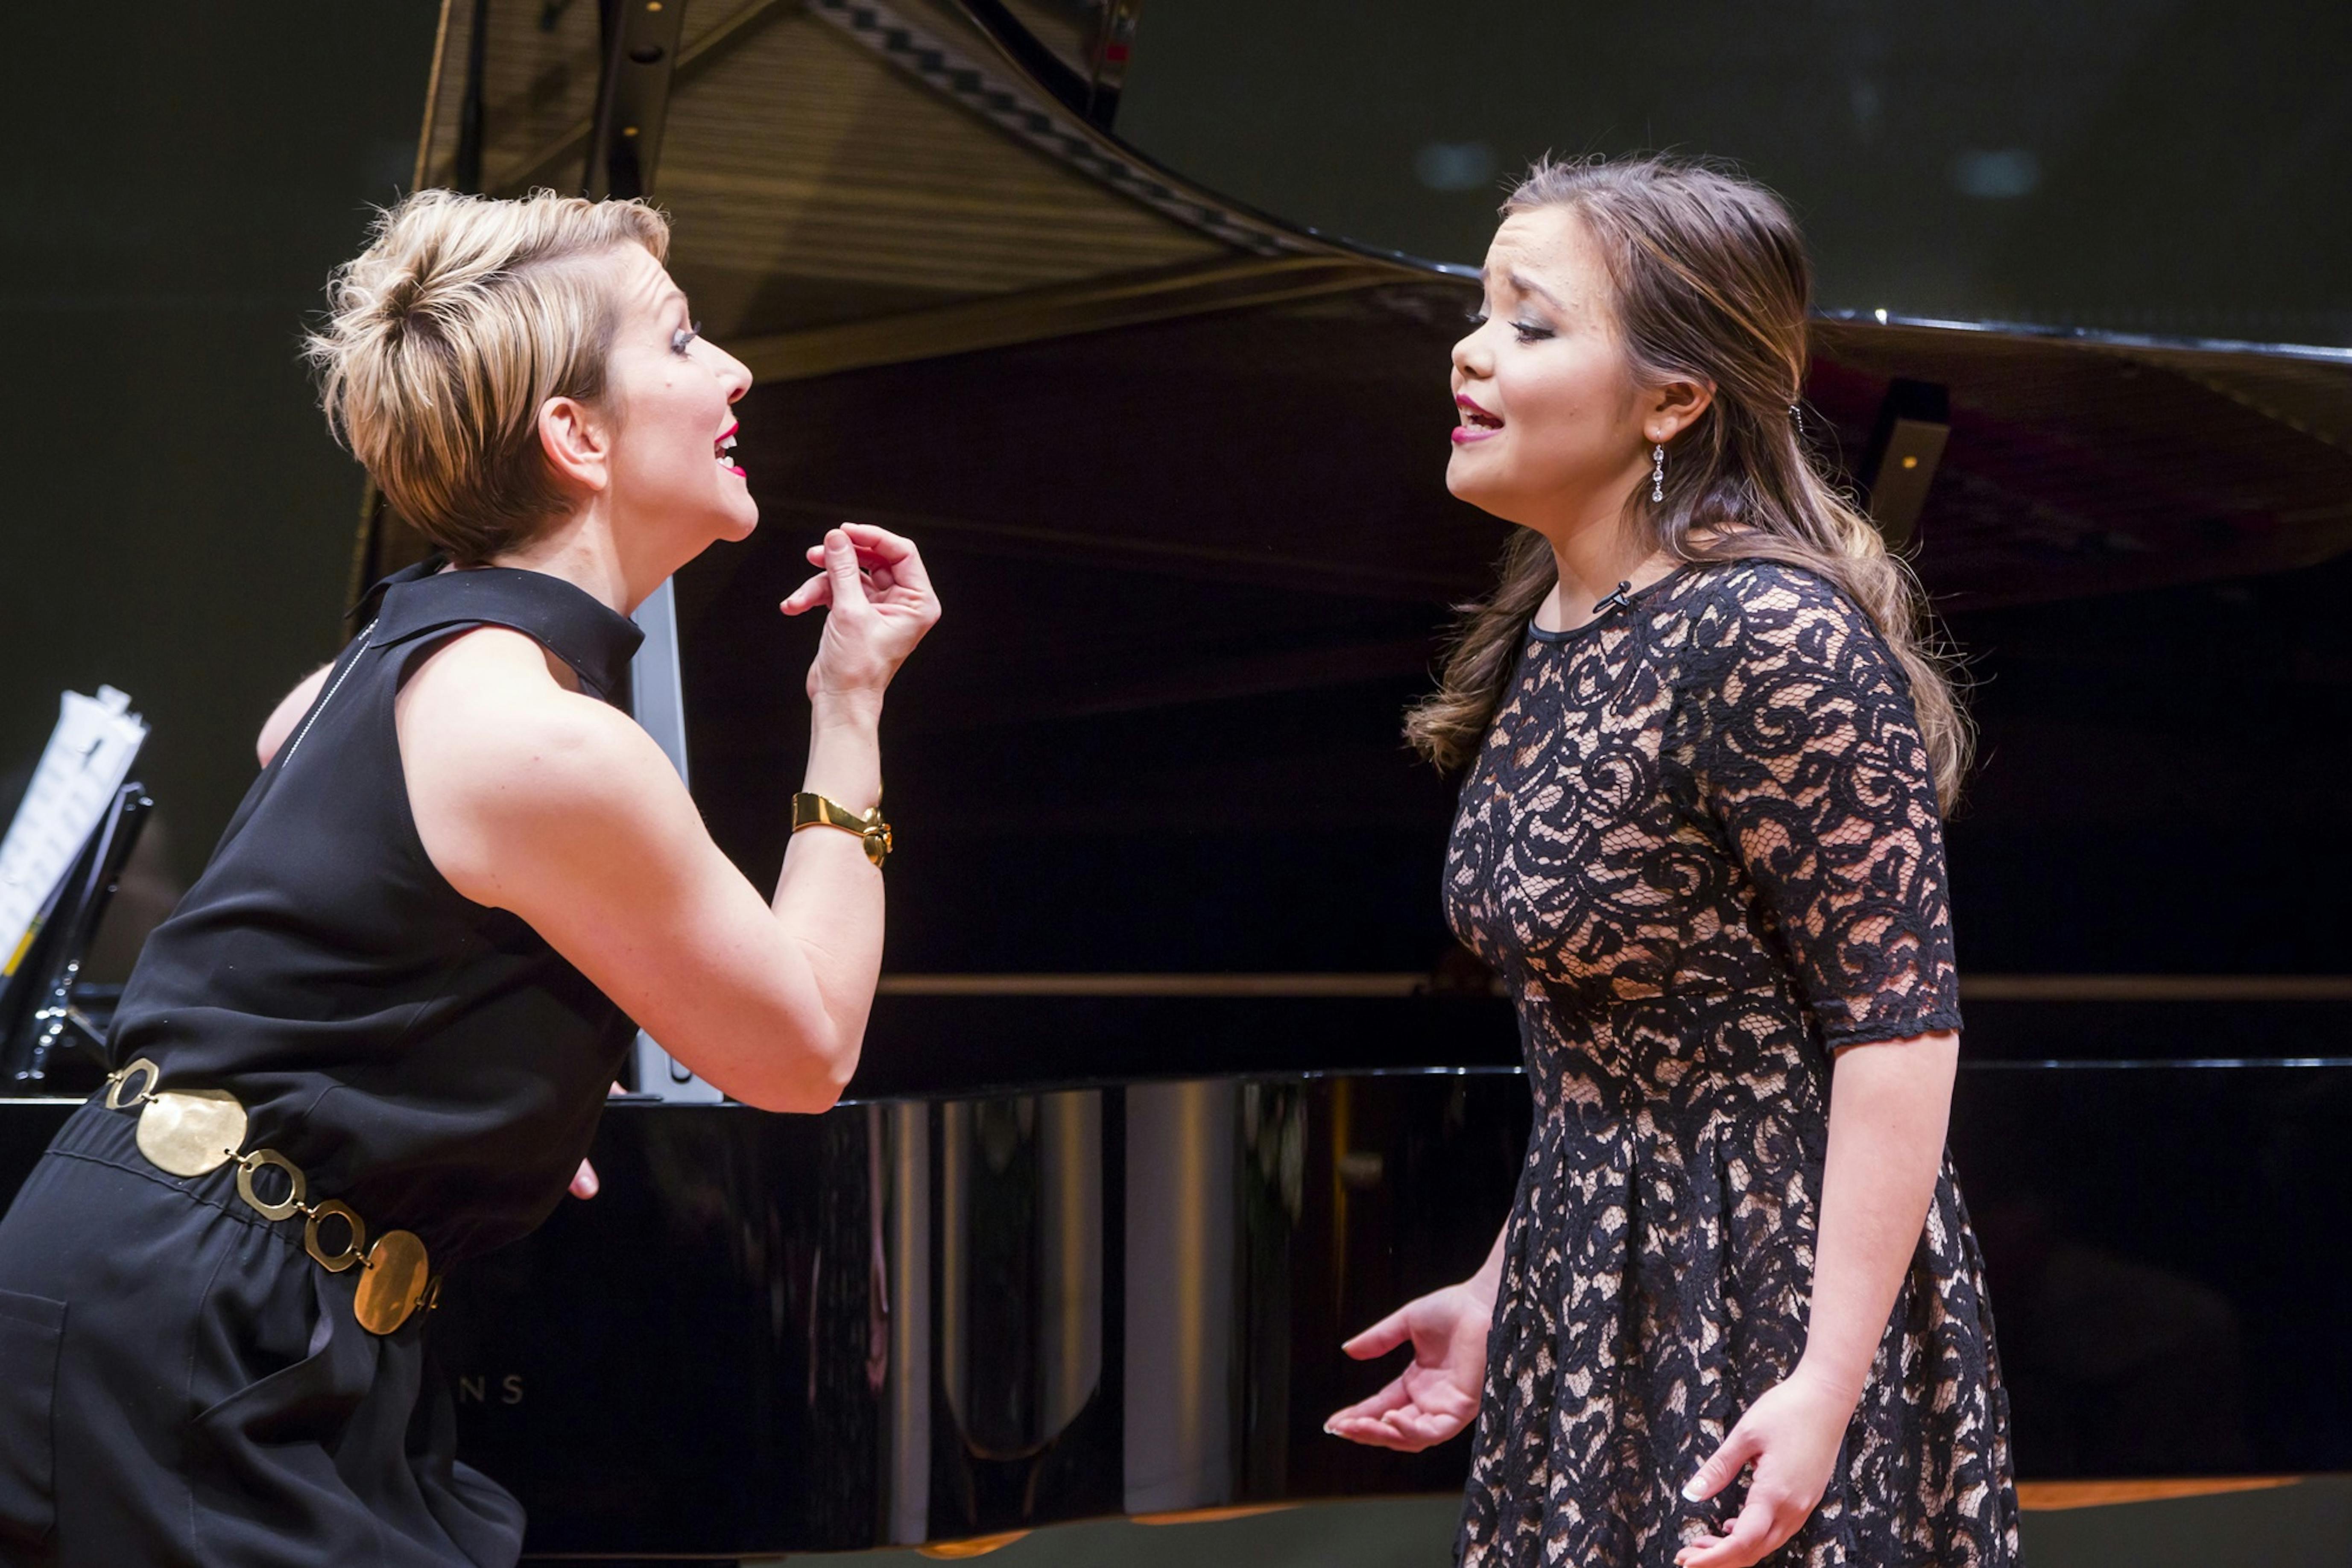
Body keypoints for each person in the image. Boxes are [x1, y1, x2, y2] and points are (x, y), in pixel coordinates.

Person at [0, 189, 938, 1565]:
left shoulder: (368, 679)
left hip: (196, 1305)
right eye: (681, 344)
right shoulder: (541, 739)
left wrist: (489, 1096)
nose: (734, 371)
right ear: (575, 435)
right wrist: (849, 707)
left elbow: (363, 974)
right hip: (195, 1336)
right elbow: (801, 1051)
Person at [1325, 157, 2017, 1568]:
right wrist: (1495, 1287)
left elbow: (1898, 1032)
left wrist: (1828, 1385)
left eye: (1530, 322)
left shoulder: (1764, 632)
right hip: (1590, 1281)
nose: (1469, 349)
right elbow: (1615, 1048)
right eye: (1481, 310)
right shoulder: (1562, 629)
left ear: (1673, 398)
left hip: (1771, 1290)